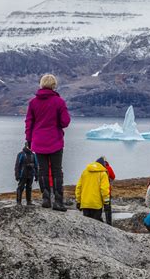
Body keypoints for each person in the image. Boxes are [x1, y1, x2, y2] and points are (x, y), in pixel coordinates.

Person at [25, 74, 71, 212]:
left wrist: (29, 139)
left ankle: (45, 199)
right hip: (55, 141)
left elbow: (29, 123)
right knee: (57, 171)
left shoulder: (33, 103)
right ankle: (58, 201)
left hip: (38, 141)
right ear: (54, 85)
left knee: (42, 171)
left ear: (41, 84)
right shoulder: (59, 102)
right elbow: (65, 122)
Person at [75, 157, 111, 224]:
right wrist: (106, 203)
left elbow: (78, 187)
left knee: (87, 225)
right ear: (102, 165)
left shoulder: (85, 172)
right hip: (96, 205)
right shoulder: (103, 173)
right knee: (95, 226)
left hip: (85, 204)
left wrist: (78, 201)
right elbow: (104, 190)